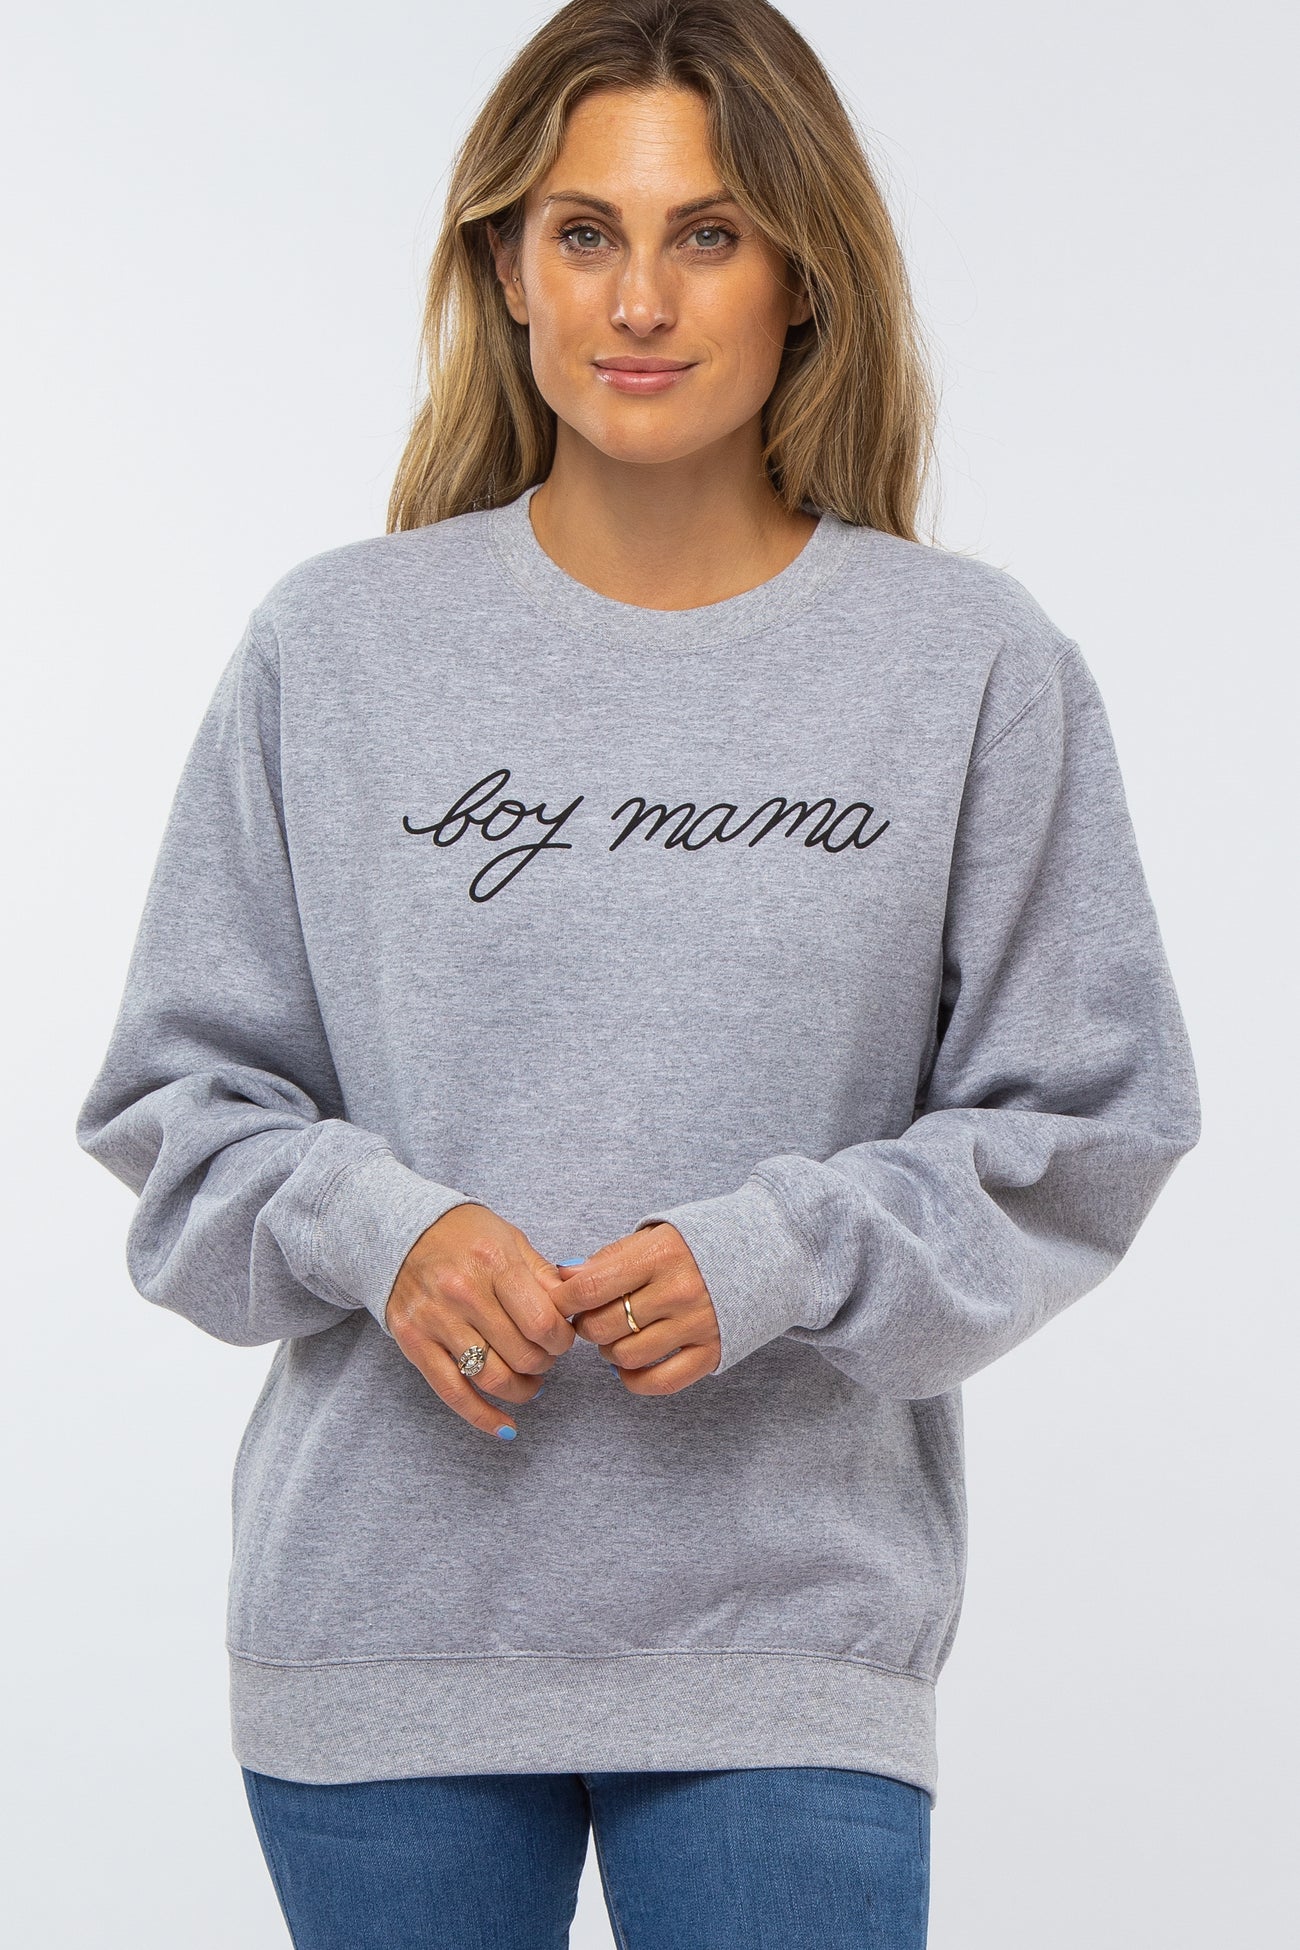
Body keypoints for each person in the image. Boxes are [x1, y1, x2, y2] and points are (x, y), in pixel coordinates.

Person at [73, 2, 1201, 1945]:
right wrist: (385, 1231)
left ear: (801, 275)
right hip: (387, 1638)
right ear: (508, 267)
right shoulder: (335, 652)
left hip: (787, 1638)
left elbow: (1089, 1119)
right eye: (585, 231)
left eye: (708, 233)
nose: (641, 299)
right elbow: (177, 1112)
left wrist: (785, 1253)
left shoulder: (965, 667)